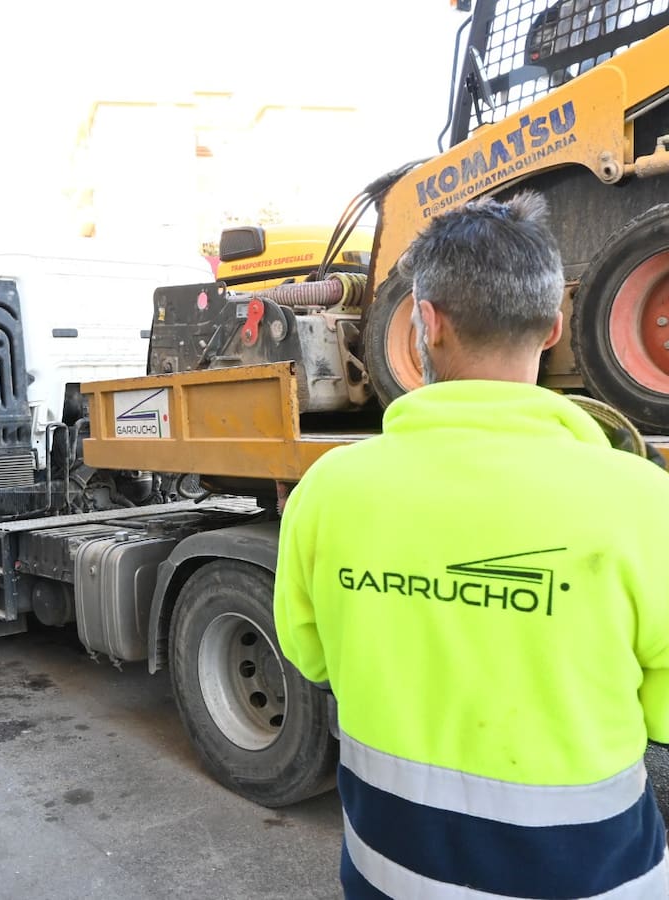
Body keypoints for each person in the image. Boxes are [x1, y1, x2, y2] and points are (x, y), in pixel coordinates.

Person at [274, 192, 668, 898]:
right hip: (593, 879)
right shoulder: (642, 501)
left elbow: (310, 657)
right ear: (552, 328)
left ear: (425, 322)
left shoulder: (329, 490)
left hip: (388, 873)